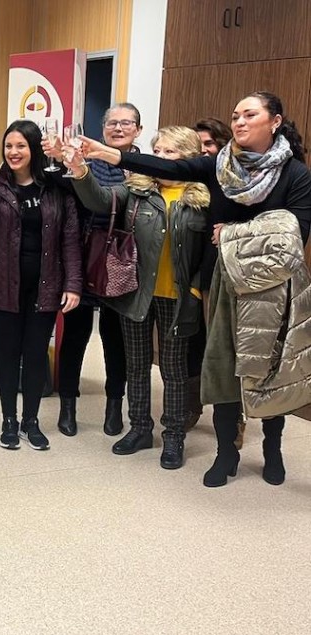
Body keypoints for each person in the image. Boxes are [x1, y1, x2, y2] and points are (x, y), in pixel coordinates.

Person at [81, 91, 311, 487]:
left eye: (249, 114)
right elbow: (157, 164)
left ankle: (273, 449)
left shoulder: (295, 175)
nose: (238, 121)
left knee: (269, 370)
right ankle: (226, 453)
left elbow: (295, 236)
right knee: (221, 368)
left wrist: (234, 233)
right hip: (223, 280)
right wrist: (108, 154)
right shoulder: (218, 167)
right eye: (235, 114)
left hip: (274, 286)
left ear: (274, 121)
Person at [64, 127, 210, 469]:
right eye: (156, 150)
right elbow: (98, 200)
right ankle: (140, 428)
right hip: (136, 295)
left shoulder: (201, 200)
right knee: (137, 365)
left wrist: (195, 289)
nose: (158, 158)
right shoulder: (137, 190)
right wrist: (81, 171)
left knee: (173, 371)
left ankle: (173, 436)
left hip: (179, 298)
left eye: (169, 153)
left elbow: (209, 252)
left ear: (187, 158)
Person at [0, 119, 82, 451]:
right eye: (8, 146)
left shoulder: (56, 188)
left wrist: (73, 284)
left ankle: (32, 421)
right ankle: (9, 421)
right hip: (3, 284)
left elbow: (69, 239)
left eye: (20, 146)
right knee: (8, 354)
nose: (13, 152)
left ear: (35, 149)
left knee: (36, 354)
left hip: (46, 284)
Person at [55, 103, 140, 439]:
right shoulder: (83, 162)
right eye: (111, 123)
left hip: (120, 260)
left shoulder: (141, 168)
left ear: (138, 129)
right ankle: (67, 406)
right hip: (81, 256)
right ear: (102, 128)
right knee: (74, 336)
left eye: (126, 123)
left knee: (114, 339)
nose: (118, 128)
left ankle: (114, 405)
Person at [185, 117, 232, 434]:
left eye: (210, 145)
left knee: (225, 347)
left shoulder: (230, 184)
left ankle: (232, 415)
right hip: (189, 277)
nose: (204, 151)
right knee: (192, 343)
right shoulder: (185, 184)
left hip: (220, 274)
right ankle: (190, 406)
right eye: (198, 146)